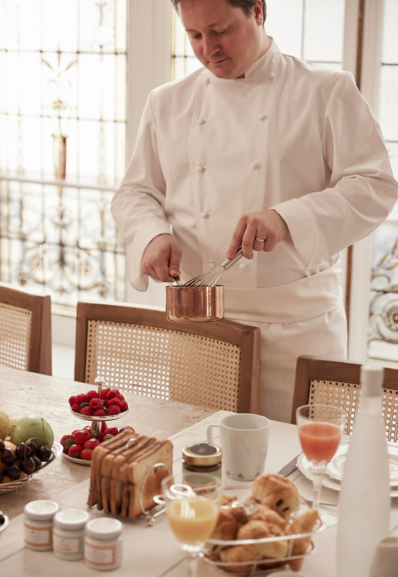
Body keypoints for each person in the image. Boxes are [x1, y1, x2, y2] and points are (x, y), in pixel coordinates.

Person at [111, 0, 397, 422]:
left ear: (258, 12)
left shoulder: (326, 90)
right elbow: (135, 193)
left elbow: (374, 186)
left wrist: (288, 217)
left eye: (220, 30)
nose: (209, 49)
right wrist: (152, 234)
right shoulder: (166, 102)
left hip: (298, 330)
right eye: (194, 36)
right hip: (201, 330)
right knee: (199, 464)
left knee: (299, 471)